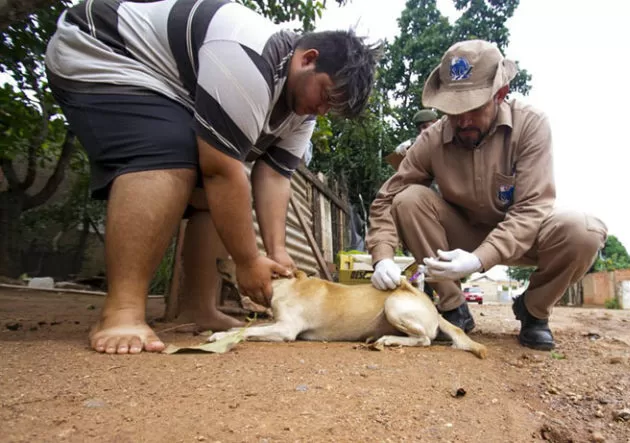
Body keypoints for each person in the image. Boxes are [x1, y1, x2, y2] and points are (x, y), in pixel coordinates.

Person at [45, 0, 381, 354]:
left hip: (168, 87)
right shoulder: (250, 56)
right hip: (102, 49)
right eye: (326, 96)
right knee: (168, 151)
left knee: (207, 192)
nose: (323, 110)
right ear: (307, 59)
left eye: (333, 108)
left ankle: (199, 307)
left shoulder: (302, 112)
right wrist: (248, 262)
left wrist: (278, 252)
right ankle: (122, 311)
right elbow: (223, 170)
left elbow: (275, 177)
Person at [366, 40, 607, 350]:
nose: (463, 120)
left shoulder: (531, 125)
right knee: (408, 199)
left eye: (474, 108)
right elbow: (389, 197)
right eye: (453, 111)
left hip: (526, 234)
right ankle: (453, 307)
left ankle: (534, 310)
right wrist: (382, 258)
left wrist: (480, 259)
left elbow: (533, 207)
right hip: (461, 236)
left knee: (583, 231)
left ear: (501, 95)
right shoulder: (433, 139)